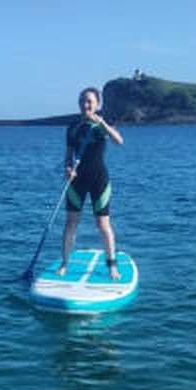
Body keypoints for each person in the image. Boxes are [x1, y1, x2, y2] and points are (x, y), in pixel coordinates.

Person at [58, 88, 124, 280]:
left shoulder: (103, 124)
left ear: (97, 104)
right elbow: (68, 155)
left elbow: (119, 141)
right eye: (82, 101)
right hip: (77, 180)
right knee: (71, 222)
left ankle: (112, 265)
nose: (85, 105)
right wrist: (68, 168)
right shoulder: (73, 127)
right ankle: (65, 263)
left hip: (99, 179)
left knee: (103, 224)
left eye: (89, 101)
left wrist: (101, 122)